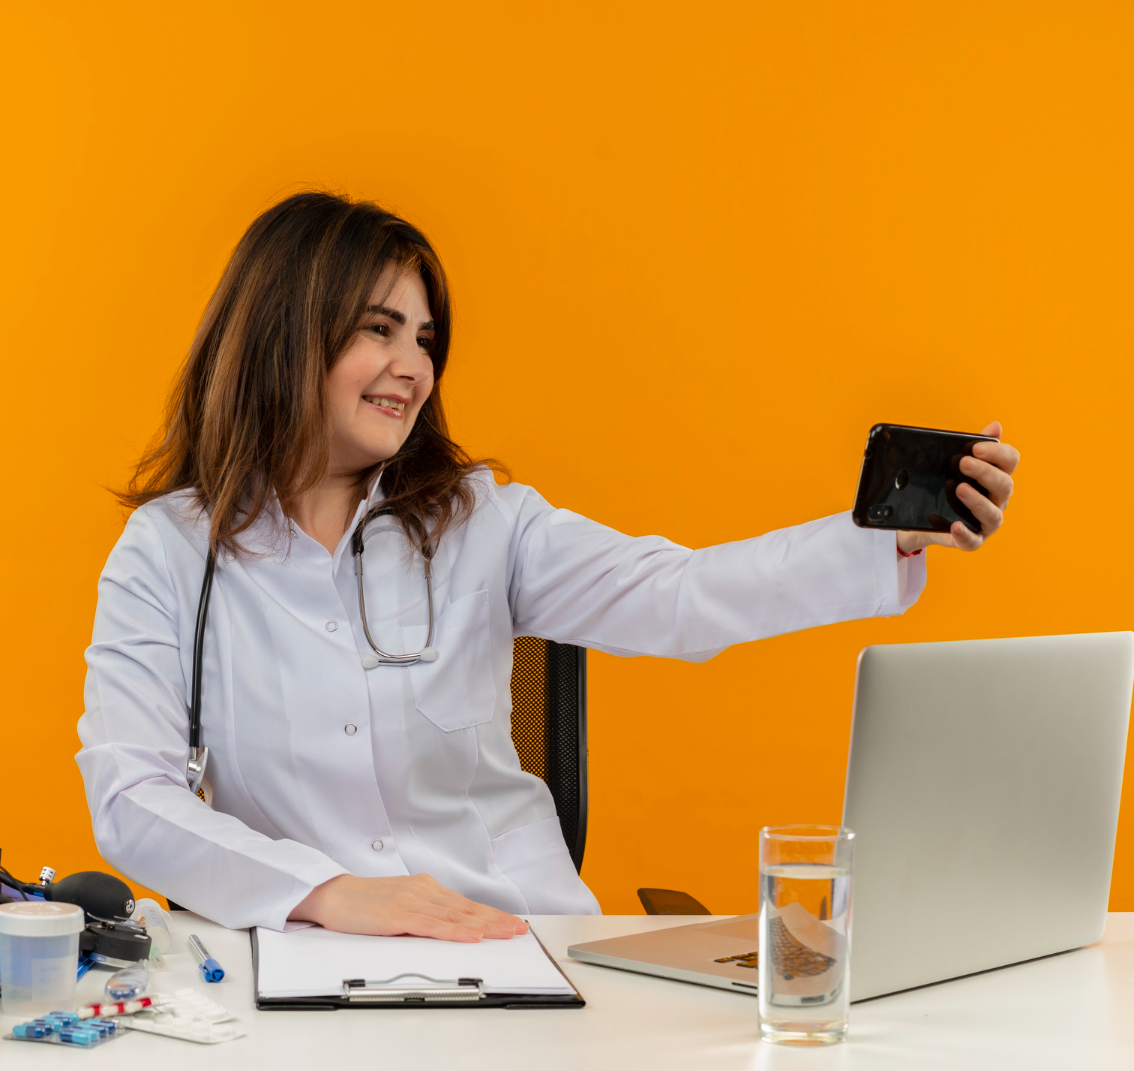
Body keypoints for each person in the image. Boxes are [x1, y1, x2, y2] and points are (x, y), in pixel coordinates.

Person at [76, 192, 1020, 944]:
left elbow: (681, 597)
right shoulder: (168, 553)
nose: (414, 365)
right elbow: (130, 791)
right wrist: (327, 891)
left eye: (427, 338)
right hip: (306, 960)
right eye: (379, 329)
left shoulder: (482, 521)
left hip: (519, 945)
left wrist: (882, 539)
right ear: (285, 334)